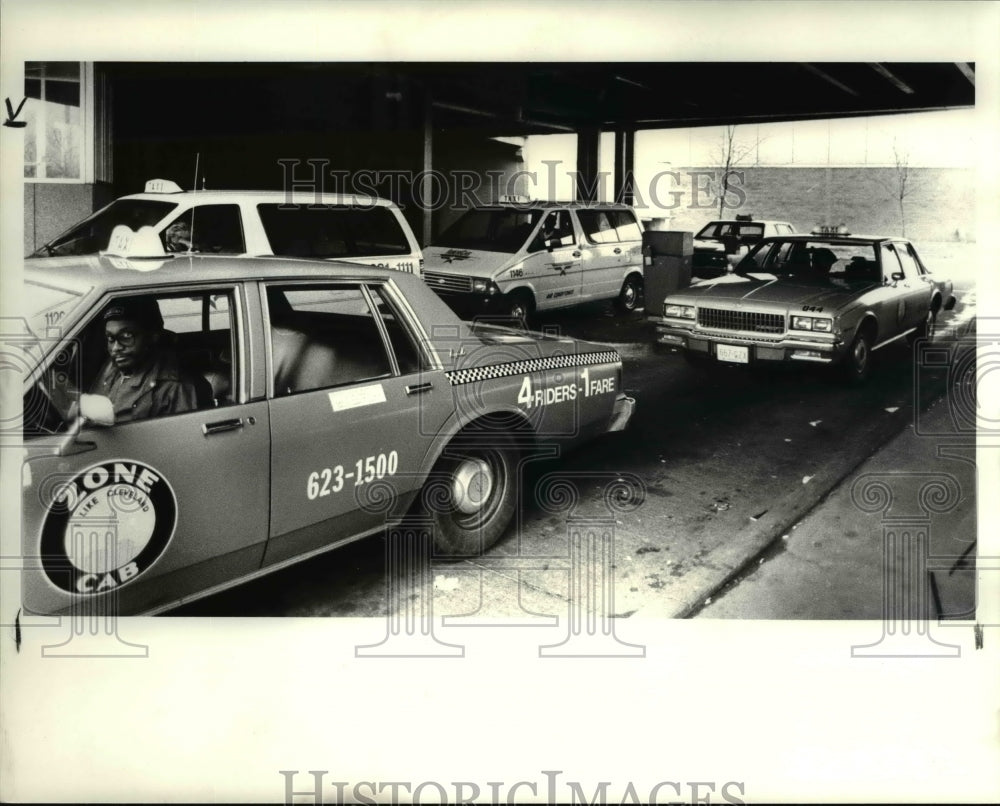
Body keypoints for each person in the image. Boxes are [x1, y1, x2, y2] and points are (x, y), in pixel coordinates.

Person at [90, 296, 204, 423]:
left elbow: (181, 438)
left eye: (127, 336)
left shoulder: (174, 387)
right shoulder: (114, 366)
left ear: (153, 336)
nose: (116, 348)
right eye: (110, 338)